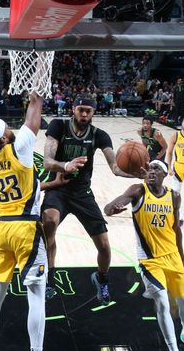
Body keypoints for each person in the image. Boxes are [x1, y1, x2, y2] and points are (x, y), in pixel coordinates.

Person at [0, 91, 67, 351]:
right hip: (26, 230)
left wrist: (54, 180)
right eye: (8, 129)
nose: (13, 130)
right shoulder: (21, 148)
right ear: (4, 139)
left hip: (2, 229)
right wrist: (37, 89)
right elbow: (35, 113)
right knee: (36, 295)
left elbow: (28, 188)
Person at [103, 160, 184, 351]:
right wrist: (114, 209)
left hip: (173, 256)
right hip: (149, 260)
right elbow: (108, 208)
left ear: (166, 174)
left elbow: (176, 230)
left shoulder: (174, 196)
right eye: (150, 169)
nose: (152, 172)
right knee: (163, 303)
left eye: (157, 169)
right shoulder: (138, 190)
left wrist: (183, 258)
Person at [42, 96, 134, 304]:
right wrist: (66, 165)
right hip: (58, 188)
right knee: (48, 223)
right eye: (81, 110)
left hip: (82, 193)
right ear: (73, 109)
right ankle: (49, 280)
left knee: (104, 245)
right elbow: (48, 162)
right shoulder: (58, 126)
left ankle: (101, 279)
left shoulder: (100, 135)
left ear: (93, 112)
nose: (84, 114)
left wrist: (138, 173)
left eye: (88, 111)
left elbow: (116, 168)